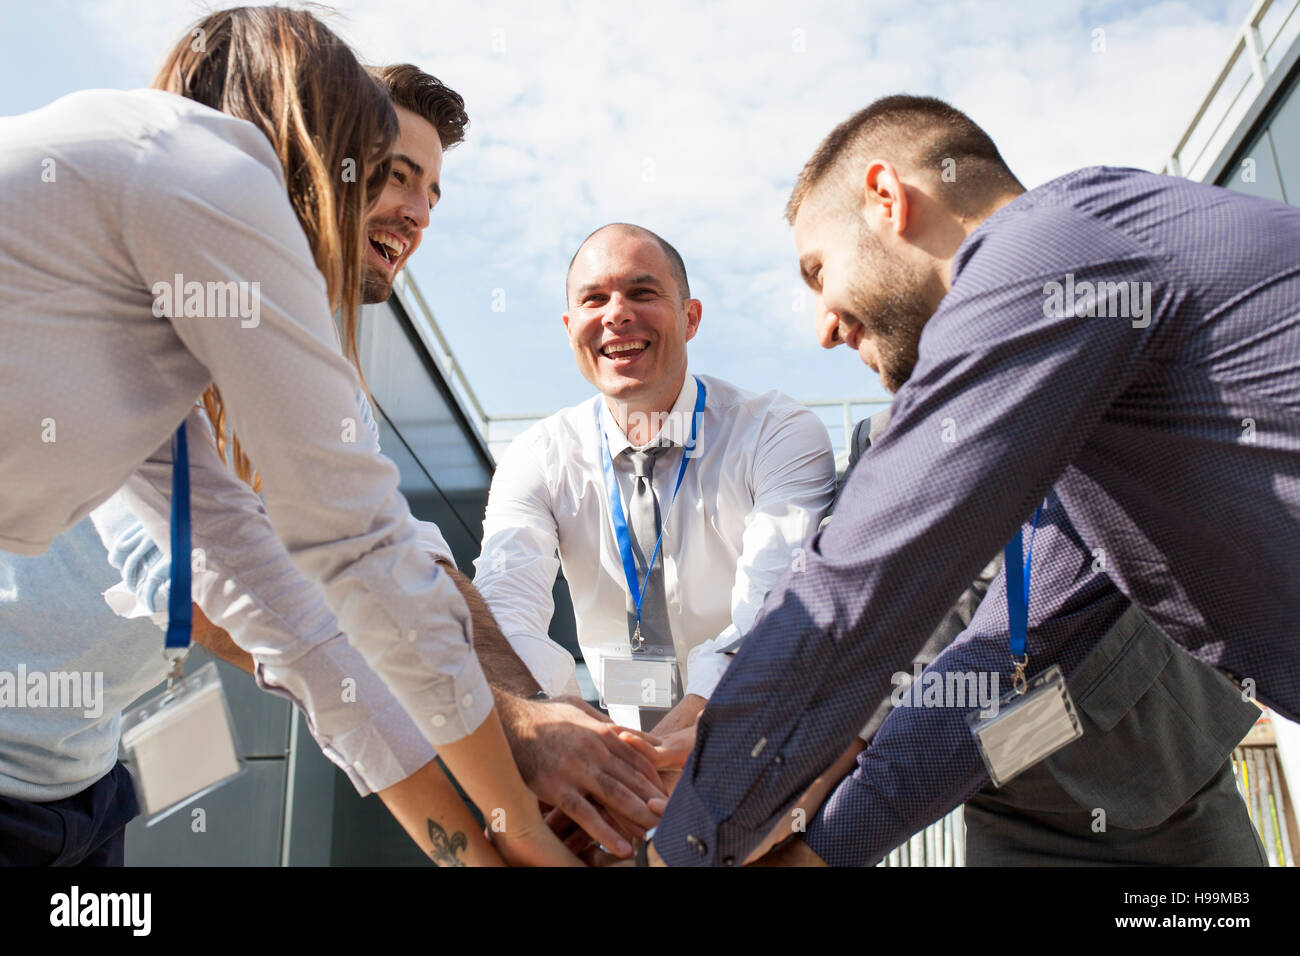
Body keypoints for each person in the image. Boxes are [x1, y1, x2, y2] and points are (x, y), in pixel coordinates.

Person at [648, 94, 1300, 866]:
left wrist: (677, 851)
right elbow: (1008, 652)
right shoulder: (1088, 405)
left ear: (887, 199)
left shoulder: (1049, 256)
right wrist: (823, 855)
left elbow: (859, 590)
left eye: (818, 271)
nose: (822, 324)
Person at [0, 6, 576, 866]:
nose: (405, 211)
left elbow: (266, 595)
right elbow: (358, 549)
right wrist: (516, 829)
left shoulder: (148, 307)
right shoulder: (208, 170)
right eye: (378, 172)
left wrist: (481, 849)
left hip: (75, 782)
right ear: (318, 137)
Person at [114, 61, 665, 863]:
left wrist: (542, 723)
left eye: (433, 194)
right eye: (396, 176)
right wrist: (501, 807)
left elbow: (406, 563)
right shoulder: (153, 302)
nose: (417, 214)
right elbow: (206, 592)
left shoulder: (320, 375)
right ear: (312, 165)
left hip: (81, 776)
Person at [769, 408, 1263, 867]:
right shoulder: (879, 441)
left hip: (1157, 769)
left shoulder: (1079, 391)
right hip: (1001, 790)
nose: (828, 332)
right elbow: (870, 619)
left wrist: (823, 840)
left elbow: (1019, 622)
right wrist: (808, 788)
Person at [470, 223, 836, 840]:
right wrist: (560, 733)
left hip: (761, 746)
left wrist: (643, 759)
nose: (617, 315)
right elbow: (504, 609)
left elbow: (779, 607)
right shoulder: (535, 456)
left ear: (690, 317)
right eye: (594, 299)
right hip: (612, 755)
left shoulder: (777, 432)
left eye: (642, 293)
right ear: (569, 329)